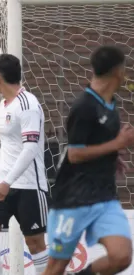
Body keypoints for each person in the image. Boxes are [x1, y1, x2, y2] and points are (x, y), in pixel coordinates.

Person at [44, 46, 134, 275]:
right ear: (118, 71)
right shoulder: (84, 107)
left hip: (104, 197)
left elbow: (98, 145)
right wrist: (116, 145)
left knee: (121, 255)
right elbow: (74, 154)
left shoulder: (111, 104)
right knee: (56, 268)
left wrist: (113, 157)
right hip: (73, 198)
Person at [0, 54, 49, 275]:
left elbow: (30, 148)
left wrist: (7, 181)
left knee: (36, 245)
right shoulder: (4, 105)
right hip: (2, 186)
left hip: (29, 188)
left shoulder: (28, 105)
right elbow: (8, 147)